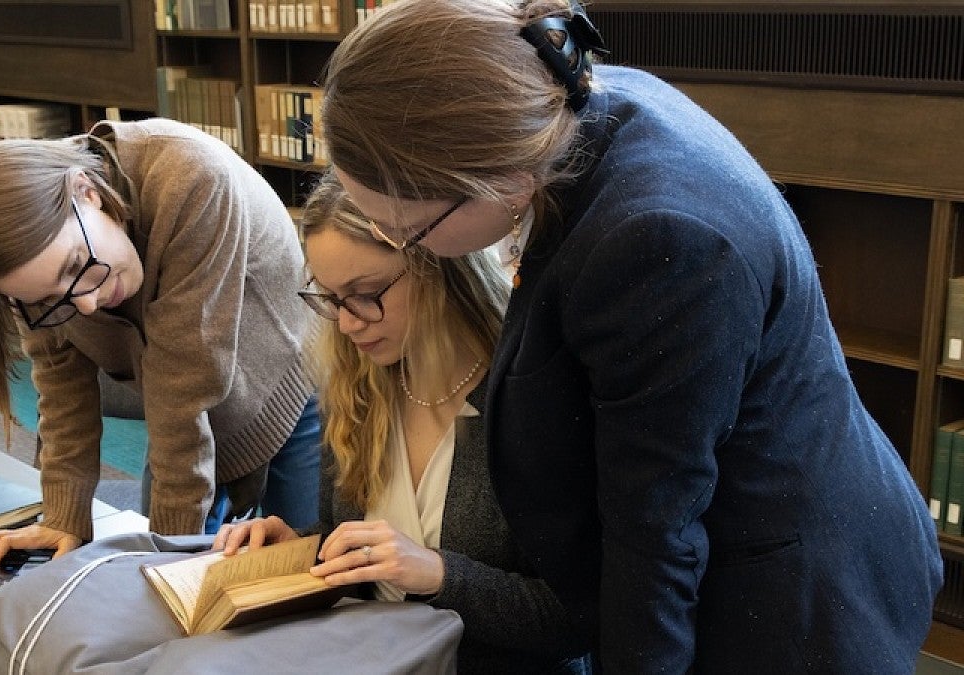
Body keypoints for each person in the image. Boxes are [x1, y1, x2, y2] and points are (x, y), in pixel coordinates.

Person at [316, 0, 945, 672]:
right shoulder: (582, 105)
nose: (403, 247)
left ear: (490, 178)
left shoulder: (653, 241)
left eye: (403, 232)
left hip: (789, 597)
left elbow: (655, 540)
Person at [214, 174, 589, 673]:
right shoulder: (357, 388)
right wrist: (305, 551)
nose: (347, 324)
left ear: (440, 265)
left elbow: (577, 622)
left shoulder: (534, 402)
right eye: (329, 298)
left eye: (365, 293)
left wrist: (439, 574)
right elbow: (352, 543)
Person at [0, 118, 321, 572]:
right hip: (174, 410)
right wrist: (64, 517)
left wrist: (170, 560)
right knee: (172, 562)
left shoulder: (191, 178)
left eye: (76, 265)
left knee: (303, 572)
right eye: (49, 299)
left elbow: (183, 386)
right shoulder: (25, 263)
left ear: (87, 192)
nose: (86, 303)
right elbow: (62, 391)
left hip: (282, 385)